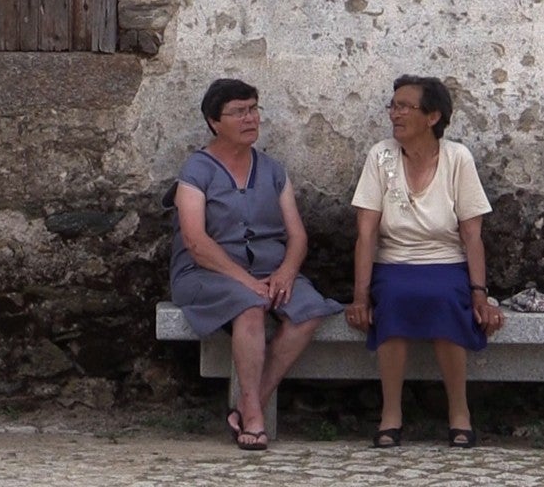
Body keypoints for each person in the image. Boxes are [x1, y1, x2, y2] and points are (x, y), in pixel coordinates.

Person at [169, 78, 344, 451]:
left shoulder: (273, 170)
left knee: (309, 311)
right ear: (214, 122)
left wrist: (286, 273)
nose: (250, 119)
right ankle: (252, 417)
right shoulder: (196, 171)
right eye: (238, 112)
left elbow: (297, 237)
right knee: (249, 308)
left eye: (253, 109)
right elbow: (196, 242)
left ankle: (252, 400)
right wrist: (246, 282)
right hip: (207, 273)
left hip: (271, 269)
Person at [344, 74, 505, 449]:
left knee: (446, 300)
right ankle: (391, 414)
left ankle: (460, 412)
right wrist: (360, 296)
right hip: (394, 263)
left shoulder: (457, 158)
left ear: (432, 117)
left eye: (404, 107)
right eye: (393, 105)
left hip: (445, 263)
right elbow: (366, 232)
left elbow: (471, 234)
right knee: (396, 300)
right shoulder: (380, 156)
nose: (394, 114)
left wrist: (479, 294)